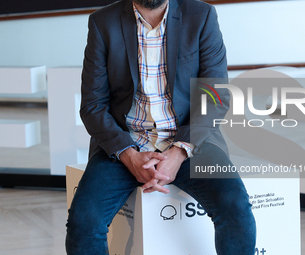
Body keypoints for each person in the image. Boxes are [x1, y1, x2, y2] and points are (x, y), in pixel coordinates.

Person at [66, 0, 256, 253]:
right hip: (126, 142)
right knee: (84, 223)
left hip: (190, 140)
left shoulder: (201, 15)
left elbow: (216, 97)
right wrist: (128, 154)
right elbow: (93, 105)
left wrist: (179, 151)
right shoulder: (103, 22)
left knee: (236, 209)